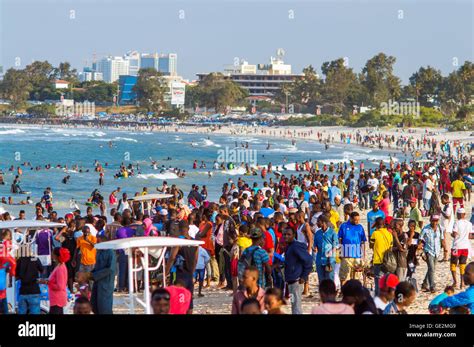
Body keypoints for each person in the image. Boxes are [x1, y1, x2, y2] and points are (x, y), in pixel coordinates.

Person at [166, 220, 198, 314]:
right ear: (188, 229)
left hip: (179, 274)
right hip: (189, 273)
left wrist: (166, 272)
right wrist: (192, 272)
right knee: (189, 301)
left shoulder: (179, 241)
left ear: (179, 229)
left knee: (178, 301)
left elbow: (172, 257)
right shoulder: (194, 242)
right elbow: (196, 259)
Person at [282, 227, 312, 314]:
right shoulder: (290, 246)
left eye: (288, 234)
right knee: (293, 304)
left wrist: (304, 276)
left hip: (296, 281)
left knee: (296, 306)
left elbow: (308, 260)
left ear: (294, 235)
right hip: (291, 281)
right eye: (284, 234)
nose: (286, 236)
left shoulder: (296, 246)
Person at [338, 212, 366, 284]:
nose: (357, 221)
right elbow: (340, 240)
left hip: (357, 255)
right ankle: (343, 291)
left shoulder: (360, 227)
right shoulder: (343, 226)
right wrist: (340, 252)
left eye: (358, 220)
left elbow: (363, 242)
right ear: (350, 218)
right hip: (346, 254)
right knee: (344, 274)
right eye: (355, 220)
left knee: (356, 276)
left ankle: (355, 293)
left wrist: (363, 255)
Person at [90, 234, 116, 314]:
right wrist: (89, 274)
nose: (96, 243)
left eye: (98, 241)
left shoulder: (110, 253)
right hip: (97, 283)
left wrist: (94, 275)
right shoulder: (99, 252)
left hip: (106, 284)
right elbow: (98, 267)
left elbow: (110, 269)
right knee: (94, 306)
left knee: (104, 308)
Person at [449, 208, 474, 289]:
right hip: (465, 247)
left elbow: (455, 234)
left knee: (453, 264)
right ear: (464, 214)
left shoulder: (456, 223)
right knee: (462, 265)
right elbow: (470, 236)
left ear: (458, 215)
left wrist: (451, 234)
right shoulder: (469, 224)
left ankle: (455, 282)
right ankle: (462, 283)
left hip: (456, 246)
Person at [419, 215, 443, 293]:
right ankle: (432, 286)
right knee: (432, 269)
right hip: (428, 251)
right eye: (433, 220)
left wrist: (445, 249)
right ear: (430, 220)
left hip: (437, 251)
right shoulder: (426, 229)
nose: (435, 222)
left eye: (436, 221)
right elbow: (420, 240)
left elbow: (442, 239)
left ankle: (424, 284)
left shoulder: (440, 228)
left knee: (431, 269)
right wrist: (422, 252)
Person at [370, 217, 393, 295]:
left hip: (378, 260)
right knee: (386, 282)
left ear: (376, 225)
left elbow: (371, 245)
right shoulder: (389, 234)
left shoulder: (375, 234)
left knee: (378, 282)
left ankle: (378, 300)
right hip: (388, 262)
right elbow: (391, 247)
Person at [313, 215, 338, 282]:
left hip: (330, 260)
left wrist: (330, 258)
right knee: (321, 280)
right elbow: (315, 245)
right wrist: (314, 248)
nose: (317, 223)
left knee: (329, 279)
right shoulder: (317, 233)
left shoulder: (332, 232)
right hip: (319, 260)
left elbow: (335, 246)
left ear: (323, 222)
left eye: (318, 221)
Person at [46, 247, 70, 314]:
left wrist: (48, 283)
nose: (51, 255)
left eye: (53, 254)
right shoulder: (59, 266)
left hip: (57, 300)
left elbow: (60, 286)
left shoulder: (60, 268)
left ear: (56, 256)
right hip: (56, 299)